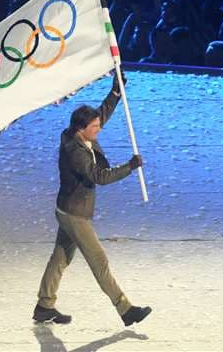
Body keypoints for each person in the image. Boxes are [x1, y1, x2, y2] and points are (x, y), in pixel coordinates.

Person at [34, 72, 151, 327]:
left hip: (68, 209)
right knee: (99, 261)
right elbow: (99, 176)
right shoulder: (74, 152)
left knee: (60, 258)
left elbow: (103, 113)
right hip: (74, 214)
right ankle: (125, 309)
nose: (99, 129)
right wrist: (129, 166)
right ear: (81, 129)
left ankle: (44, 305)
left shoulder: (79, 133)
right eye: (94, 127)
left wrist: (116, 91)